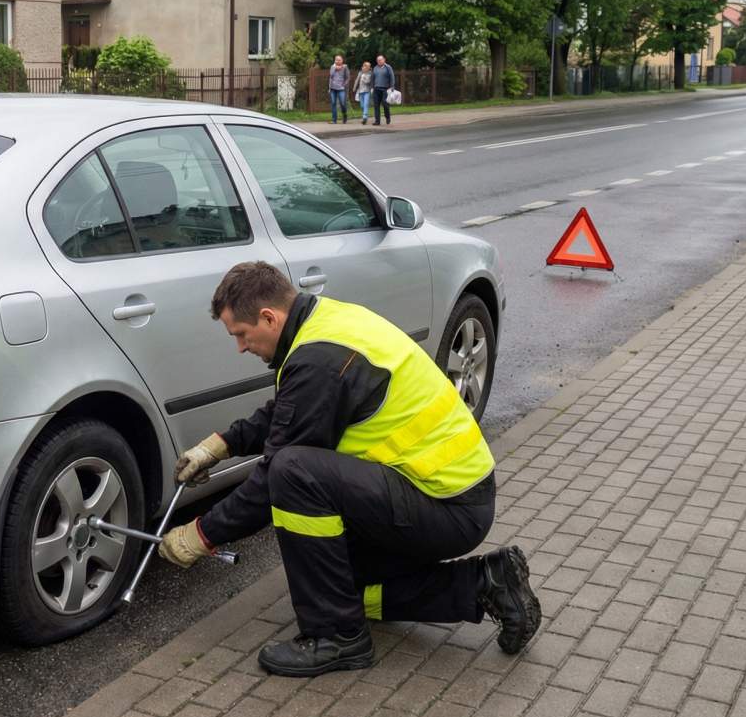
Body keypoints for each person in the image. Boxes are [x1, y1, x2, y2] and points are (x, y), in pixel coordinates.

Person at [158, 261, 540, 677]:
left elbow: (272, 477)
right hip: (448, 493)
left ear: (269, 317)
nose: (240, 347)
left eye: (241, 334)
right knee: (345, 588)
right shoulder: (325, 324)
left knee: (291, 472)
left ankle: (337, 637)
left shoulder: (319, 359)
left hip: (446, 504)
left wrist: (202, 535)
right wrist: (222, 444)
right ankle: (489, 583)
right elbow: (293, 410)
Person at [327, 54, 350, 124]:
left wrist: (344, 84)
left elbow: (348, 77)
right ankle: (334, 120)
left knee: (342, 103)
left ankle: (344, 115)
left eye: (339, 60)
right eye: (336, 60)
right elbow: (331, 75)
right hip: (333, 88)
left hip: (341, 88)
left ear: (342, 60)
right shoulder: (332, 67)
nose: (337, 61)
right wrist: (335, 68)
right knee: (333, 103)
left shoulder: (345, 67)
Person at [374, 56, 396, 126]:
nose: (379, 61)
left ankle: (387, 117)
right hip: (376, 89)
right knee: (376, 105)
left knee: (385, 104)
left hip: (385, 89)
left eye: (380, 60)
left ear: (384, 60)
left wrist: (392, 86)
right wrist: (372, 87)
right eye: (378, 60)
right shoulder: (375, 68)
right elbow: (372, 78)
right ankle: (377, 121)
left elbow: (392, 77)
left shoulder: (388, 67)